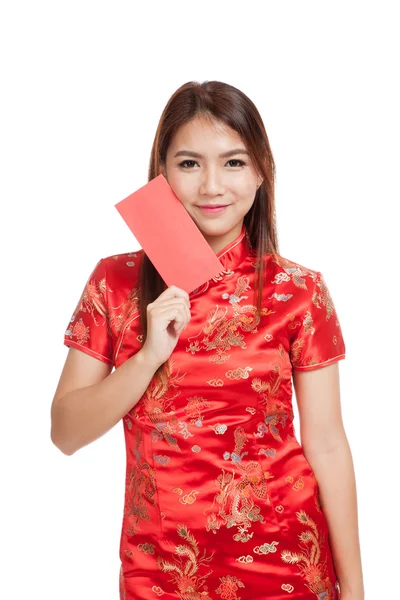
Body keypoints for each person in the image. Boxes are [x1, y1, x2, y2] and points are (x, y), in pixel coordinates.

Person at [51, 80, 364, 600]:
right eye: (190, 164)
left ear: (262, 171)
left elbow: (328, 444)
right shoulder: (115, 281)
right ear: (163, 174)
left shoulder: (299, 290)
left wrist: (354, 590)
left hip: (286, 563)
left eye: (234, 163)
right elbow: (65, 432)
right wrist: (149, 355)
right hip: (161, 574)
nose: (212, 186)